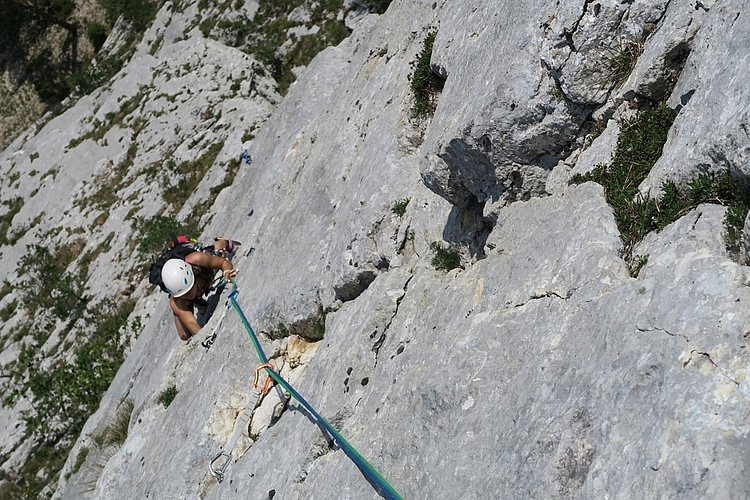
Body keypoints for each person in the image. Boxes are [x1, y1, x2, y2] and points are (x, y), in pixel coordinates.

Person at [161, 238, 238, 341]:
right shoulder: (177, 300)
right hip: (189, 293)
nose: (187, 295)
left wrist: (227, 272)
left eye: (189, 290)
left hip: (205, 274)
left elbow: (223, 263)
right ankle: (189, 306)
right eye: (184, 294)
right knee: (184, 335)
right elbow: (191, 323)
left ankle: (222, 241)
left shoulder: (197, 260)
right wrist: (204, 337)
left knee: (218, 251)